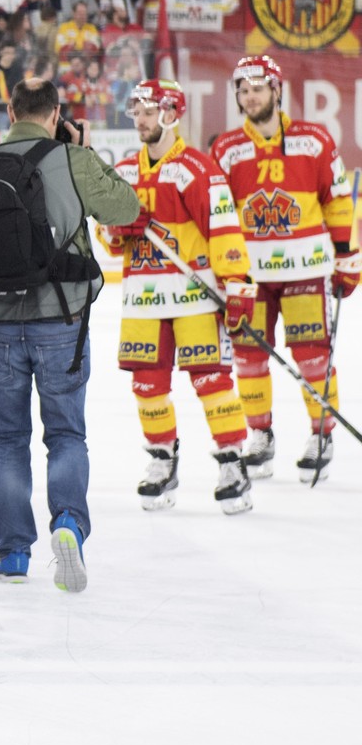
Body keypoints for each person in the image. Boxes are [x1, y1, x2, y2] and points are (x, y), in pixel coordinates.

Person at [0, 77, 139, 591]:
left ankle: (14, 554)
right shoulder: (72, 159)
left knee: (8, 437)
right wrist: (81, 152)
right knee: (65, 433)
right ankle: (68, 524)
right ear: (57, 112)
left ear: (10, 109)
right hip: (58, 318)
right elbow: (125, 209)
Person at [101, 79, 253, 513]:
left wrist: (238, 287)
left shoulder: (197, 168)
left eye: (150, 112)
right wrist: (114, 229)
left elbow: (223, 229)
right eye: (138, 112)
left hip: (195, 298)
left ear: (171, 114)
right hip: (142, 299)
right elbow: (111, 245)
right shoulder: (125, 172)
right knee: (147, 386)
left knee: (211, 381)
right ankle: (162, 459)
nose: (142, 120)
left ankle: (232, 462)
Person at [210, 56, 357, 484]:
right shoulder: (227, 148)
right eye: (242, 88)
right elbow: (217, 215)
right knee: (248, 358)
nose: (249, 95)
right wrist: (221, 271)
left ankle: (321, 434)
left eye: (257, 87)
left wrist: (347, 257)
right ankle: (260, 434)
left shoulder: (314, 140)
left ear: (276, 89)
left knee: (313, 357)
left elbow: (337, 199)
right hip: (248, 277)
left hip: (305, 270)